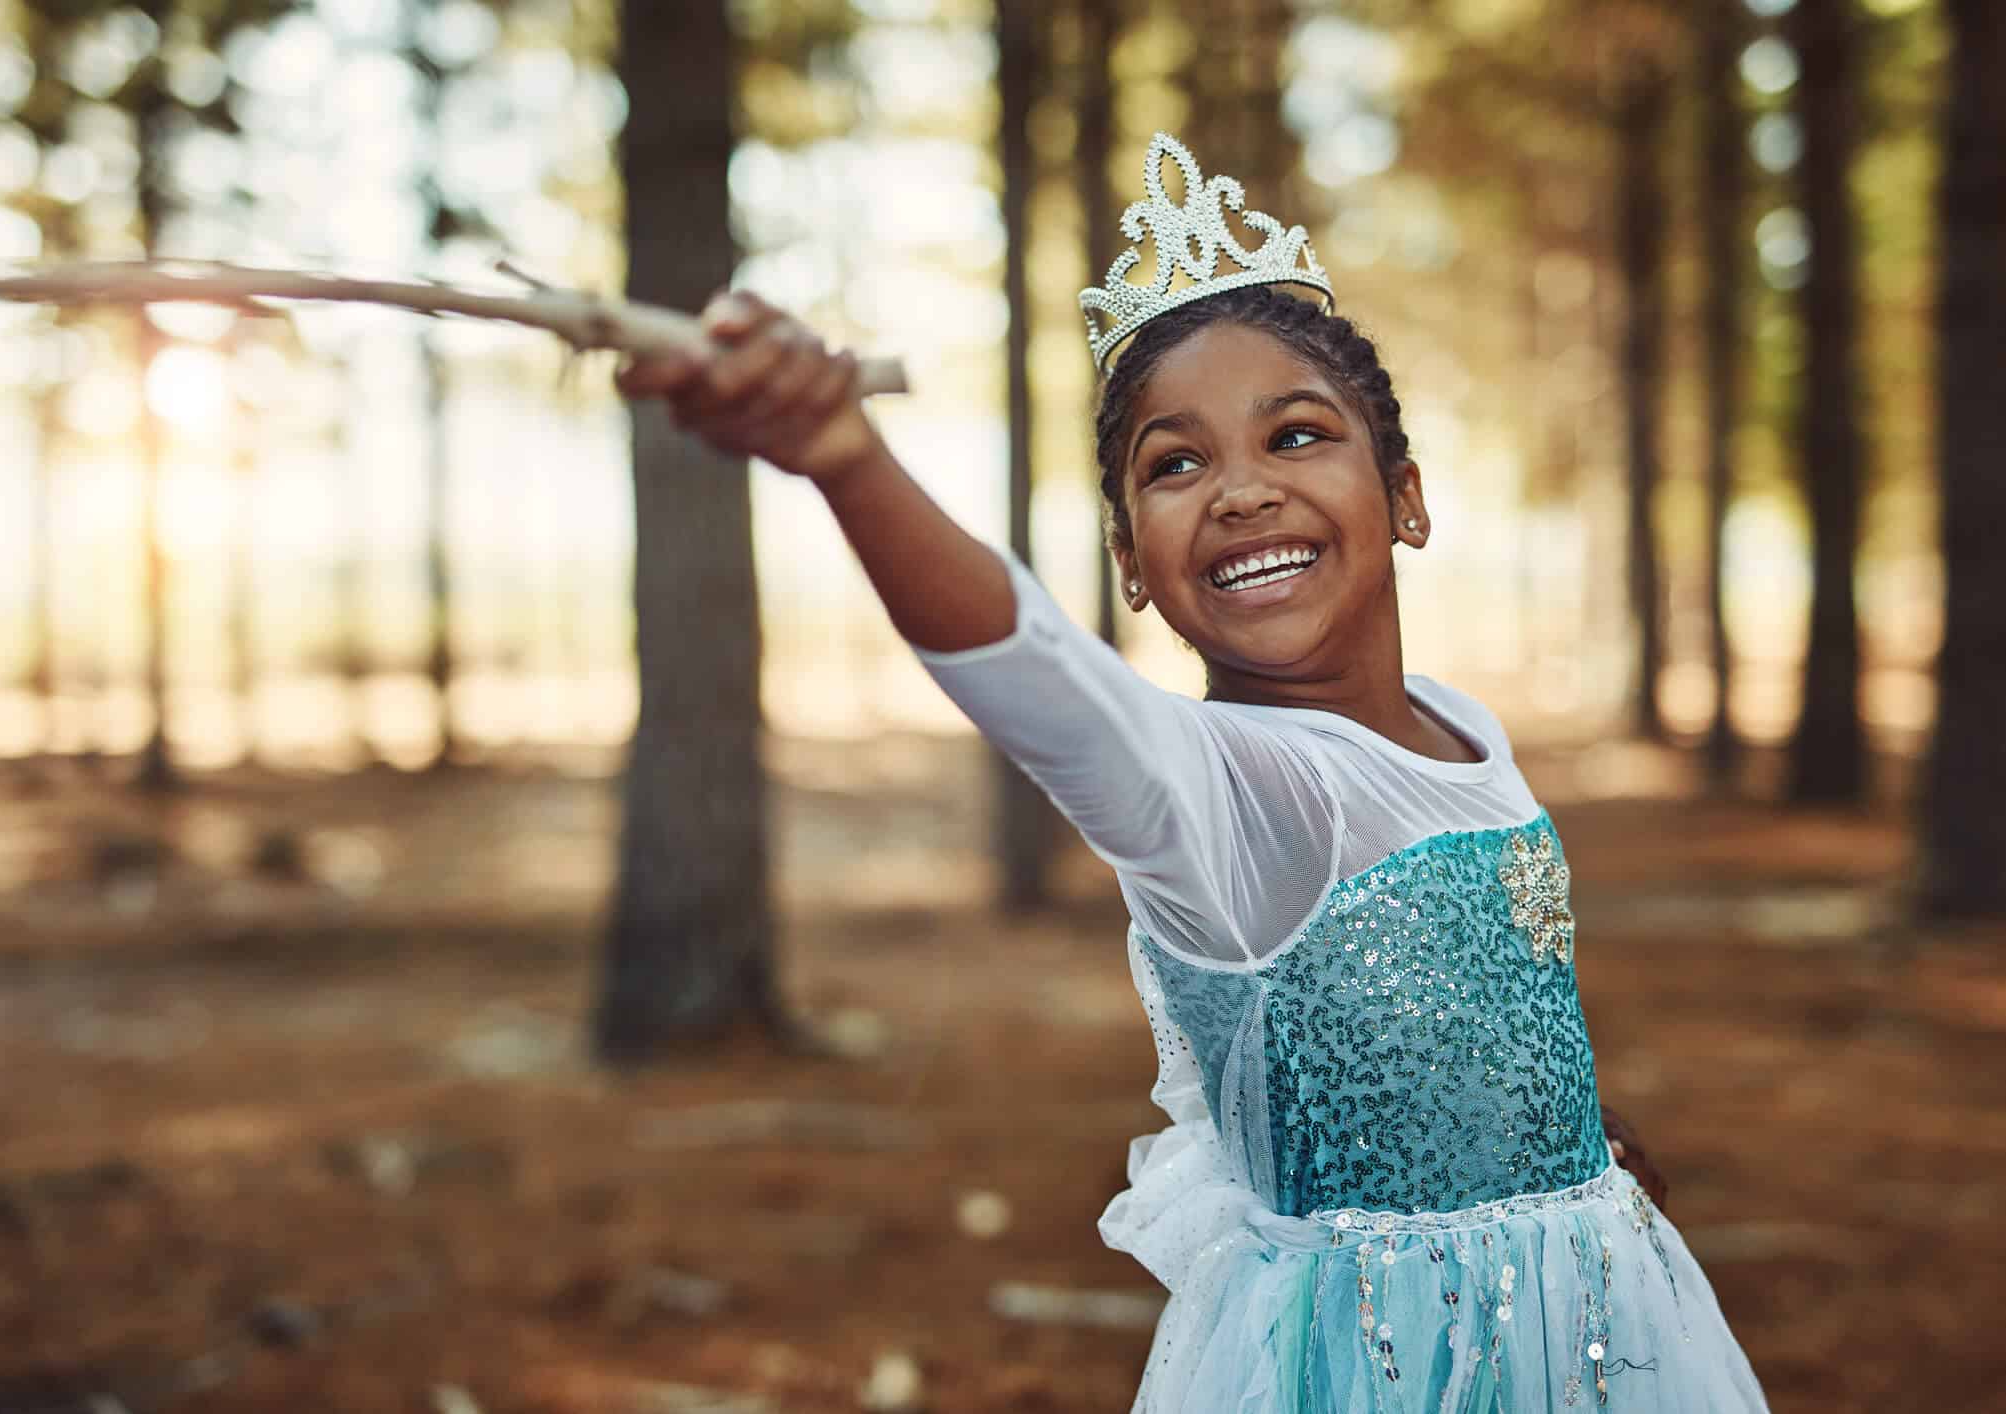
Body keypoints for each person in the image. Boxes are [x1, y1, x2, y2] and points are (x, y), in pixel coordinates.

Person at [616, 131, 1767, 1413]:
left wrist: (1567, 1169)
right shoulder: (1221, 799)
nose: (1239, 492)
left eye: (1296, 436)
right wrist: (846, 454)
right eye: (1175, 464)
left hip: (1600, 1332)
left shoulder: (1458, 728)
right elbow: (1033, 671)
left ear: (1405, 496)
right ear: (1129, 562)